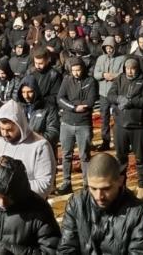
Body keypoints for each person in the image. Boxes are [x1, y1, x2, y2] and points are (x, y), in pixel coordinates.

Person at [58, 152, 143, 255]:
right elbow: (66, 249)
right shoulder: (77, 204)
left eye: (106, 189)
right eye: (93, 188)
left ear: (120, 181)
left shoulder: (137, 213)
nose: (99, 196)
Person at [0, 100, 55, 198]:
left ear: (20, 125)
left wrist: (12, 188)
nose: (5, 134)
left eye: (9, 130)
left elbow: (45, 184)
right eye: (2, 129)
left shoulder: (40, 146)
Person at [108, 57, 143, 199]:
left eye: (132, 68)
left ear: (137, 68)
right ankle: (121, 186)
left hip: (138, 126)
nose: (129, 71)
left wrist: (131, 102)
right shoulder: (120, 79)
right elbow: (110, 94)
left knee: (141, 158)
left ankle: (141, 187)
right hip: (120, 125)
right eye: (127, 68)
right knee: (121, 159)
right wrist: (118, 99)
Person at [56, 57, 98, 194]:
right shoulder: (67, 80)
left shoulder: (90, 81)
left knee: (84, 155)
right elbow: (60, 98)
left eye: (78, 70)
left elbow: (90, 101)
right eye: (73, 70)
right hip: (67, 122)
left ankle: (87, 183)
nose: (76, 73)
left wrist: (74, 103)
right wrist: (74, 106)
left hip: (83, 124)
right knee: (66, 154)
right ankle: (66, 182)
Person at [93, 36, 125, 151]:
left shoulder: (122, 58)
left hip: (116, 93)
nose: (109, 50)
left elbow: (123, 74)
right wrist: (103, 75)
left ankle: (119, 142)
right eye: (107, 48)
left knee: (117, 118)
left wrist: (113, 76)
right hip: (103, 93)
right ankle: (105, 141)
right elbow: (95, 74)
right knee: (104, 118)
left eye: (111, 47)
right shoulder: (100, 59)